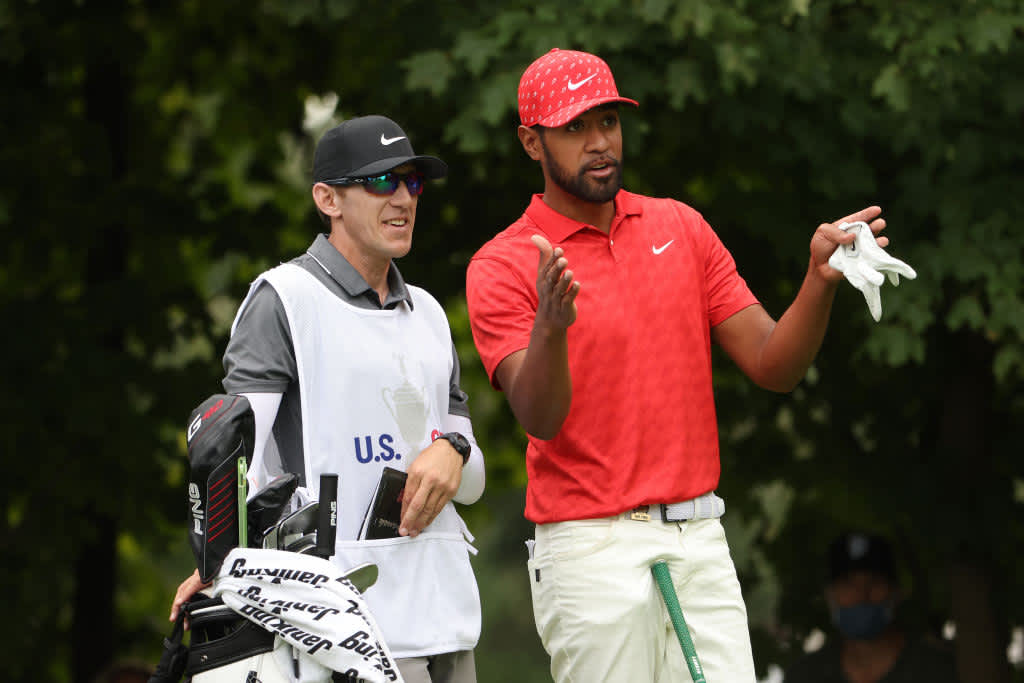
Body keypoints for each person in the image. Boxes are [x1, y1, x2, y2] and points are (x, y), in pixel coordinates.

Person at [465, 47, 896, 682]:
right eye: (574, 127)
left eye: (608, 121)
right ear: (532, 142)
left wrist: (817, 279)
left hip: (699, 536)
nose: (599, 142)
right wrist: (552, 326)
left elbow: (773, 365)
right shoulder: (502, 263)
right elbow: (540, 418)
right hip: (589, 547)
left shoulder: (681, 226)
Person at [170, 114, 486, 683]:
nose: (403, 198)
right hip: (340, 626)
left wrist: (455, 451)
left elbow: (474, 478)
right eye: (381, 181)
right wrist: (218, 564)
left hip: (445, 609)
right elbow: (234, 459)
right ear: (327, 199)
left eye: (412, 181)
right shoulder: (284, 298)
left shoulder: (430, 313)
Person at [784, 531, 960, 683]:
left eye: (874, 583)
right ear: (830, 595)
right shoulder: (805, 676)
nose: (861, 595)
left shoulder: (937, 670)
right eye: (848, 585)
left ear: (895, 592)